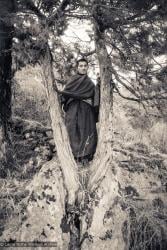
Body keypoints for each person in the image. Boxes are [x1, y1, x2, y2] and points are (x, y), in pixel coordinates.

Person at [60, 58, 100, 164]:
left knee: (86, 130)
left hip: (86, 110)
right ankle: (75, 155)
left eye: (85, 66)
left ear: (87, 67)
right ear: (77, 67)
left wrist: (98, 86)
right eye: (81, 66)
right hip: (73, 108)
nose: (83, 68)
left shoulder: (90, 83)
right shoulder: (73, 80)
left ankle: (86, 156)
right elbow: (65, 93)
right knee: (72, 130)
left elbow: (94, 95)